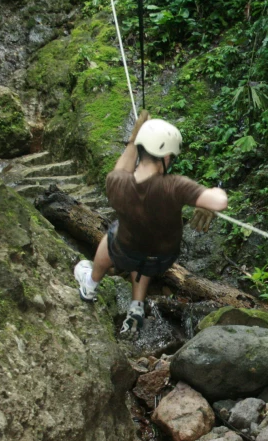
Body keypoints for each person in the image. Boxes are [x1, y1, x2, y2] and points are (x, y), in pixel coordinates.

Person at [73, 110, 227, 334]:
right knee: (148, 240)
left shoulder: (117, 183)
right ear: (166, 158)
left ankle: (91, 284)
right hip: (163, 259)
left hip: (124, 252)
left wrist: (134, 139)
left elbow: (122, 168)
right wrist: (209, 199)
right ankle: (136, 305)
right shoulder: (176, 185)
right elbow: (219, 202)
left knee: (114, 232)